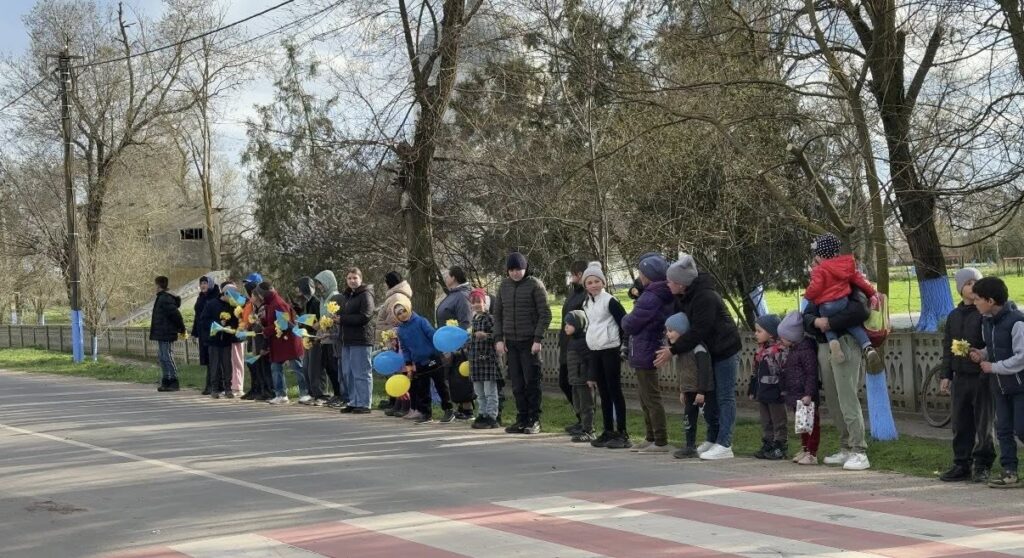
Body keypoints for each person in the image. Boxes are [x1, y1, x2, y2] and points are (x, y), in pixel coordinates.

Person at [655, 255, 741, 461]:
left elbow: (698, 331)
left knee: (724, 396)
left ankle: (725, 443)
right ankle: (712, 438)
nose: (667, 284)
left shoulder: (706, 297)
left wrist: (673, 351)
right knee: (710, 398)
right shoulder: (682, 297)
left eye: (670, 281)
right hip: (708, 351)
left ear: (681, 283)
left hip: (725, 349)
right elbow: (680, 326)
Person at [802, 286, 872, 471]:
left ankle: (859, 450)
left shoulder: (849, 282)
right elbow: (807, 314)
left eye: (816, 260)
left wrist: (830, 322)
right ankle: (846, 447)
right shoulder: (818, 283)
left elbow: (861, 311)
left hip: (846, 343)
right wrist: (817, 321)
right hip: (825, 344)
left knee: (847, 397)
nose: (812, 265)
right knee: (833, 400)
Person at [939, 268, 994, 483]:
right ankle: (961, 463)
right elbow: (947, 348)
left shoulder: (984, 314)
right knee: (960, 423)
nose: (973, 287)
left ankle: (983, 464)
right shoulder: (953, 316)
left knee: (984, 423)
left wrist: (980, 355)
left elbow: (991, 343)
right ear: (960, 289)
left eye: (976, 282)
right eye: (968, 283)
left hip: (981, 377)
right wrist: (946, 375)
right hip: (960, 377)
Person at [969, 277, 1024, 488]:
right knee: (1003, 430)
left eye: (977, 299)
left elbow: (1021, 357)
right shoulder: (987, 321)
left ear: (990, 300)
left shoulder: (1017, 322)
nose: (975, 303)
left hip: (1020, 386)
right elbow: (993, 349)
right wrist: (982, 354)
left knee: (1021, 429)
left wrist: (994, 367)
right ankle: (1009, 472)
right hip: (999, 387)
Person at [804, 233, 882, 371]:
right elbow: (861, 280)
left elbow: (815, 288)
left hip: (826, 307)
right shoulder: (846, 266)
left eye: (815, 257)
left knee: (827, 323)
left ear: (820, 256)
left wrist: (808, 295)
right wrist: (872, 293)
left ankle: (833, 343)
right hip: (843, 301)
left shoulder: (820, 270)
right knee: (854, 326)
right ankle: (867, 346)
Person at [493, 251, 551, 435]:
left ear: (525, 268)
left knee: (531, 381)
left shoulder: (534, 285)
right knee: (516, 383)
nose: (515, 273)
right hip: (511, 341)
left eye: (519, 269)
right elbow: (498, 315)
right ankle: (522, 417)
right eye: (512, 269)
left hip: (529, 341)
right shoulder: (503, 286)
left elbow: (545, 313)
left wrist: (538, 339)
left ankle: (534, 419)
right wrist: (499, 339)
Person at [621, 253, 674, 454]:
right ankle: (650, 435)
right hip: (643, 346)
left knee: (651, 396)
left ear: (648, 275)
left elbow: (630, 322)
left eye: (641, 273)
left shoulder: (651, 295)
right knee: (643, 396)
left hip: (647, 347)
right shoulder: (653, 293)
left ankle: (660, 439)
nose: (639, 277)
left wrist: (626, 319)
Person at [581, 262, 630, 449]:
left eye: (596, 281)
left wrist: (623, 346)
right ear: (585, 286)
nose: (593, 285)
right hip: (595, 349)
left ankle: (622, 432)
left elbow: (624, 323)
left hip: (610, 348)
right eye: (589, 282)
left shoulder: (610, 301)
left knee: (614, 389)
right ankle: (608, 429)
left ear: (603, 282)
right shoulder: (586, 303)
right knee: (603, 392)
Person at [393, 296, 453, 424]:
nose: (402, 315)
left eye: (403, 311)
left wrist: (443, 349)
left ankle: (448, 410)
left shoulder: (421, 321)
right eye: (399, 313)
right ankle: (426, 413)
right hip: (419, 363)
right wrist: (408, 365)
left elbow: (432, 335)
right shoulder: (400, 331)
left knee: (440, 384)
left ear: (408, 309)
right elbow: (405, 349)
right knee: (422, 389)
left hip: (432, 358)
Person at [664, 313, 715, 459]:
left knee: (710, 417)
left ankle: (713, 441)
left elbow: (705, 370)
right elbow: (681, 371)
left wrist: (702, 391)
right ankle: (690, 446)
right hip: (688, 390)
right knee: (688, 419)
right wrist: (682, 390)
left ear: (682, 330)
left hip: (702, 391)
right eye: (667, 331)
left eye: (671, 330)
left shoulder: (698, 347)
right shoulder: (679, 350)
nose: (668, 334)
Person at [778, 311, 822, 466]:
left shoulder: (806, 351)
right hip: (796, 394)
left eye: (783, 337)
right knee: (802, 424)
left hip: (806, 396)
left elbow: (811, 374)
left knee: (811, 425)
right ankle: (805, 448)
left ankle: (812, 452)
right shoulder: (793, 350)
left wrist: (809, 393)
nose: (781, 340)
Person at [252, 281, 304, 405]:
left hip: (289, 341)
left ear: (264, 293)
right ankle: (281, 394)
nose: (259, 297)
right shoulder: (271, 303)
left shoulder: (278, 303)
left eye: (259, 294)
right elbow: (273, 320)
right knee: (275, 367)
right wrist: (263, 321)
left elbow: (284, 323)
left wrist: (266, 330)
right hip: (278, 342)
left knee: (296, 367)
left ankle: (305, 392)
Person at [436, 266, 474, 420]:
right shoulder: (453, 294)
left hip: (458, 345)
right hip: (448, 343)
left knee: (461, 375)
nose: (445, 277)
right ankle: (460, 406)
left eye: (447, 275)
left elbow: (465, 321)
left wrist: (457, 344)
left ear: (454, 278)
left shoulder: (462, 296)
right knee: (453, 376)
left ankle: (467, 408)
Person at [748, 314, 787, 460]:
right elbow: (755, 372)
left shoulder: (778, 351)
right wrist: (752, 389)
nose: (755, 334)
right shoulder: (760, 351)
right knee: (766, 420)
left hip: (775, 392)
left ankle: (780, 445)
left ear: (771, 332)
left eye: (759, 331)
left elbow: (783, 372)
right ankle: (768, 443)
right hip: (762, 391)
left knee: (778, 420)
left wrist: (784, 390)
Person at [337, 268, 375, 414]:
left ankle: (365, 403)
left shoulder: (366, 294)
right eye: (349, 278)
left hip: (361, 338)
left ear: (360, 278)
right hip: (347, 339)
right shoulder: (347, 296)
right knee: (349, 373)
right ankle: (354, 401)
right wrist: (335, 318)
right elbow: (345, 314)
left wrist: (343, 319)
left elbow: (366, 316)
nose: (352, 281)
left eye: (355, 278)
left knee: (361, 372)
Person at [558, 261, 589, 433]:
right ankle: (580, 417)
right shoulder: (573, 294)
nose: (573, 277)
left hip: (578, 346)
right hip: (566, 346)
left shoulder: (585, 295)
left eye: (576, 274)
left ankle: (586, 421)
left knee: (578, 385)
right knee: (565, 382)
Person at [197, 282, 242, 399]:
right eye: (232, 296)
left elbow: (235, 322)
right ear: (225, 294)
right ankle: (214, 389)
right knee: (214, 365)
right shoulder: (211, 304)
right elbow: (203, 321)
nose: (233, 299)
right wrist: (216, 324)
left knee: (227, 365)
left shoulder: (232, 307)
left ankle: (228, 388)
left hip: (226, 340)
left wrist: (230, 327)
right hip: (214, 340)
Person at [468, 288, 501, 429]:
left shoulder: (490, 319)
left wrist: (486, 336)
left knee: (490, 391)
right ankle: (482, 413)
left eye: (479, 301)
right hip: (475, 361)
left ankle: (492, 416)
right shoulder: (473, 320)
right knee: (479, 392)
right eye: (473, 302)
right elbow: (471, 339)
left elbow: (498, 336)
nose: (476, 304)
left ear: (485, 302)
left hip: (487, 360)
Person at [563, 310, 595, 442]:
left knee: (586, 406)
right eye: (565, 323)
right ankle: (582, 425)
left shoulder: (583, 341)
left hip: (583, 380)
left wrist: (590, 377)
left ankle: (589, 430)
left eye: (569, 324)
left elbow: (590, 360)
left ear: (578, 324)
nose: (566, 326)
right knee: (577, 404)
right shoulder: (572, 340)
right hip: (575, 379)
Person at [314, 270, 345, 407]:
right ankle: (336, 393)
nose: (319, 286)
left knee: (334, 367)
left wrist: (322, 324)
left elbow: (334, 316)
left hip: (333, 337)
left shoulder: (335, 296)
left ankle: (340, 393)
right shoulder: (323, 299)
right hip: (324, 337)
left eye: (320, 283)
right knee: (328, 366)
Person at [149, 276, 185, 393]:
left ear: (158, 286)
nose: (154, 287)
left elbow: (176, 315)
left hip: (167, 332)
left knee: (167, 356)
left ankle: (174, 381)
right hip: (161, 332)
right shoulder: (161, 298)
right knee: (162, 357)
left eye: (155, 285)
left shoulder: (165, 298)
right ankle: (166, 380)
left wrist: (182, 328)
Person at [296, 276, 326, 406]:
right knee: (307, 367)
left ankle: (320, 394)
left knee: (315, 368)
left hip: (316, 338)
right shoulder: (306, 302)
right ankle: (312, 393)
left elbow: (318, 320)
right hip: (307, 337)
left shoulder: (316, 302)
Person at [195, 279, 221, 396]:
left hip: (212, 331)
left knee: (213, 359)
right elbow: (197, 316)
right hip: (202, 332)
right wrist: (194, 332)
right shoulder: (200, 297)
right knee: (207, 359)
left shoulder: (215, 296)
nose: (203, 286)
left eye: (205, 283)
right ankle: (211, 384)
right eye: (201, 284)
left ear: (210, 284)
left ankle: (212, 385)